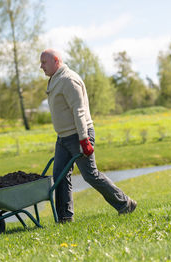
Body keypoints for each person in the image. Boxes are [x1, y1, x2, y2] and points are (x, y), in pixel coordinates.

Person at [40, 49, 137, 223]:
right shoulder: (56, 79)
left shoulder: (69, 80)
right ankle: (64, 218)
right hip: (63, 138)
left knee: (90, 175)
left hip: (78, 135)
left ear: (56, 61)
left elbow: (79, 111)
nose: (41, 66)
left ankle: (125, 204)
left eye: (44, 62)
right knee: (60, 175)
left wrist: (84, 139)